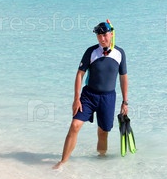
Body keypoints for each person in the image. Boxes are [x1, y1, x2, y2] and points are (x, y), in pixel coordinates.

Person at [53, 20, 128, 169]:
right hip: (88, 96)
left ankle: (101, 160)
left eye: (104, 35)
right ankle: (62, 162)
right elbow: (80, 74)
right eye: (99, 36)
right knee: (75, 125)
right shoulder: (91, 51)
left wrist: (125, 102)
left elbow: (123, 77)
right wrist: (76, 99)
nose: (102, 39)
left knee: (103, 132)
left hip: (108, 98)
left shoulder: (120, 53)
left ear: (111, 34)